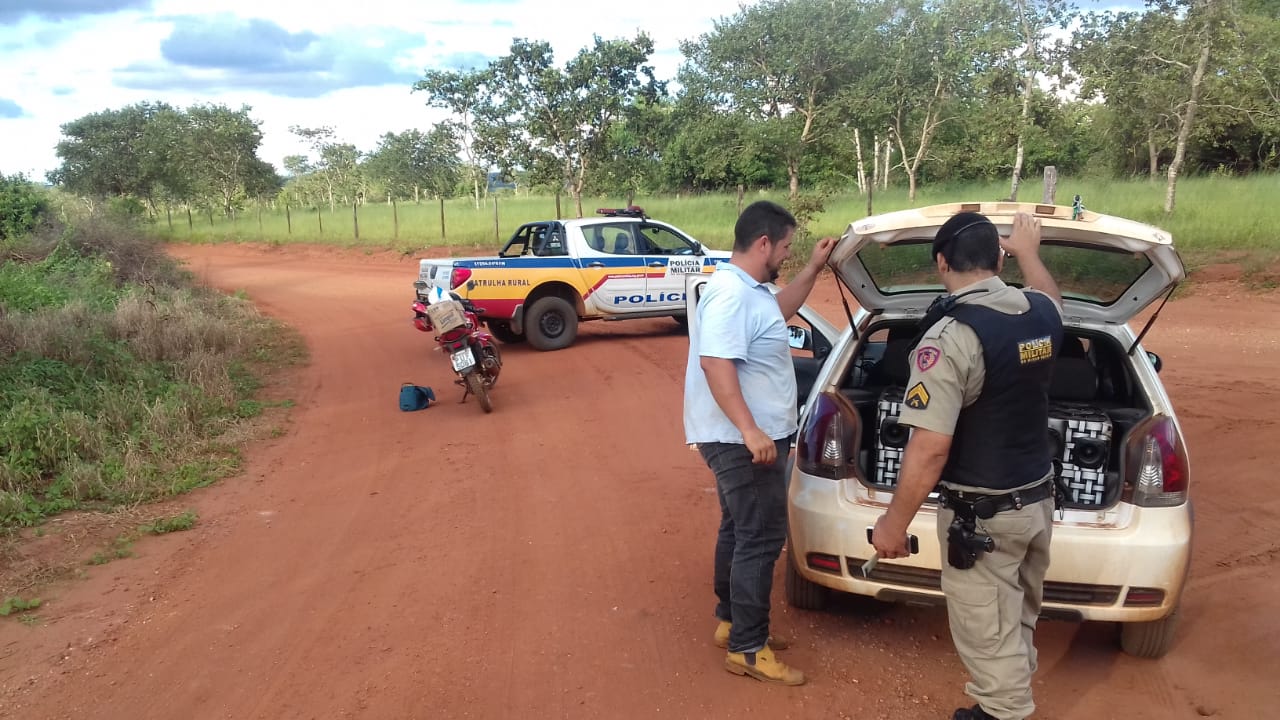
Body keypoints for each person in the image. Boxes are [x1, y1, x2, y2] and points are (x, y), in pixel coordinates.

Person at [870, 211, 1064, 720]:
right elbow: (1053, 299)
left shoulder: (950, 338)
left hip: (984, 520)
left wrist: (894, 524)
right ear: (1000, 257)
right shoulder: (1040, 314)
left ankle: (1004, 712)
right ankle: (997, 703)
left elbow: (930, 447)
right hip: (1036, 502)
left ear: (941, 262)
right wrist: (1029, 252)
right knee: (1013, 620)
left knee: (988, 633)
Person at [683, 200, 835, 686]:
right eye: (788, 247)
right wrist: (751, 430)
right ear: (764, 242)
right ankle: (749, 648)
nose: (787, 256)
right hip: (741, 440)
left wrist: (813, 268)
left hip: (741, 437)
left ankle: (733, 624)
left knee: (738, 527)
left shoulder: (750, 292)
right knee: (761, 537)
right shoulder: (731, 294)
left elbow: (778, 313)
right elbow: (716, 363)